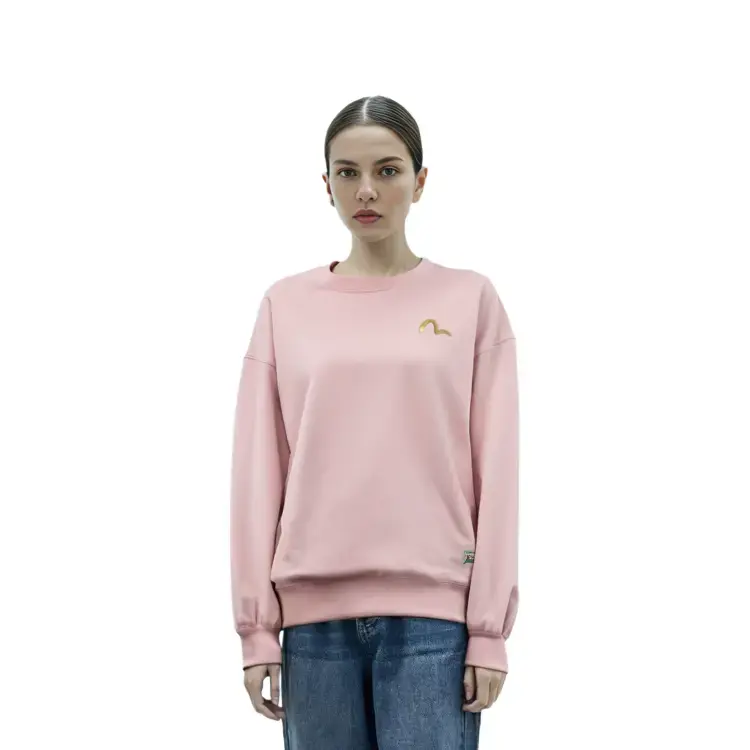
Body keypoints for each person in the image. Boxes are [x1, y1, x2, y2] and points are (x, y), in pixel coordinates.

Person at [229, 95, 520, 750]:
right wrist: (256, 630)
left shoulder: (469, 300)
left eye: (388, 170)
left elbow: (497, 471)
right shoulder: (285, 305)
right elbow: (258, 470)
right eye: (348, 172)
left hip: (435, 624)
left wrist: (488, 631)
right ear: (326, 183)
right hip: (312, 627)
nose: (366, 190)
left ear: (420, 181)